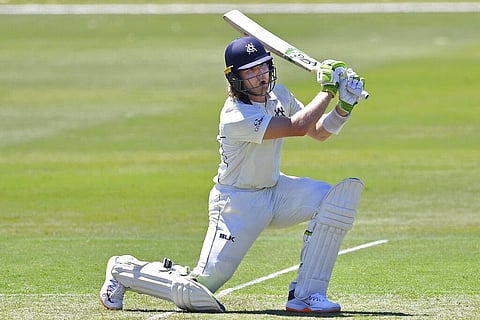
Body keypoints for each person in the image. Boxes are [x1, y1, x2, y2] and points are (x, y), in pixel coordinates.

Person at [100, 36, 367, 313]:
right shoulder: (235, 115)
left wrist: (343, 107)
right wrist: (328, 90)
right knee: (200, 289)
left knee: (332, 200)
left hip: (275, 192)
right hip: (237, 205)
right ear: (235, 78)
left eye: (262, 67)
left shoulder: (280, 96)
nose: (259, 75)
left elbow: (318, 132)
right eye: (250, 71)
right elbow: (297, 126)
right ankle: (123, 270)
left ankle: (306, 296)